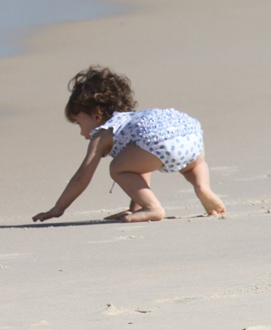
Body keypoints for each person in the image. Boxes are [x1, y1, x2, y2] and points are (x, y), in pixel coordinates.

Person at [32, 66, 226, 224]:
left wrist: (58, 209)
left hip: (156, 139)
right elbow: (141, 170)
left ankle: (153, 208)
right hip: (190, 132)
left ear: (97, 114)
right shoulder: (133, 122)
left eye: (79, 122)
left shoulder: (103, 133)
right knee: (193, 165)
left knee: (117, 168)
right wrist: (135, 208)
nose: (81, 131)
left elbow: (82, 177)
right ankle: (203, 188)